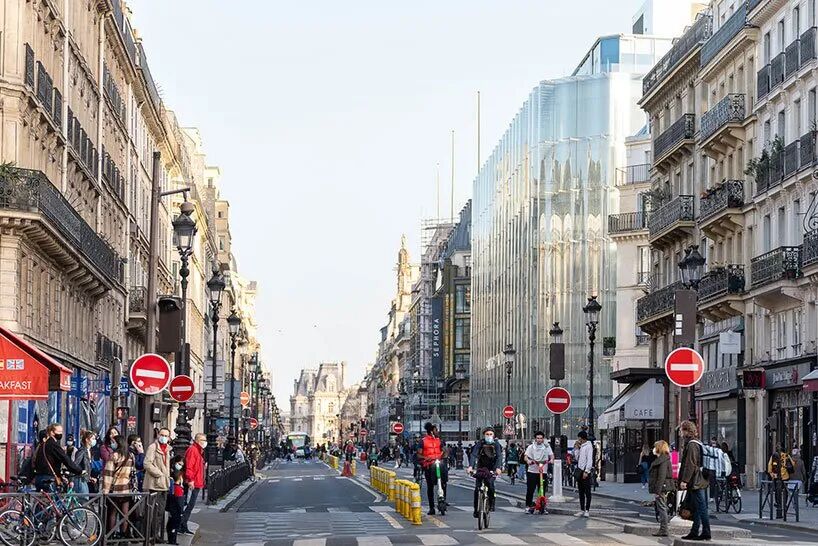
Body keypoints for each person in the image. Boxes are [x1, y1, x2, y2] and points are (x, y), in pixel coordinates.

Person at [678, 420, 711, 541]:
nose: (680, 433)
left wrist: (684, 481)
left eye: (681, 430)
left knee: (701, 507)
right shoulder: (696, 442)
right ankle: (694, 531)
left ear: (686, 431)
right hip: (698, 479)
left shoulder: (692, 444)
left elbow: (690, 464)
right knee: (697, 507)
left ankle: (706, 532)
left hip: (695, 480)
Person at [32, 423, 83, 491]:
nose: (60, 434)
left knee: (43, 497)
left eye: (61, 432)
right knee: (54, 497)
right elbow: (65, 459)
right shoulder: (53, 444)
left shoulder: (42, 445)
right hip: (49, 478)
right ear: (52, 432)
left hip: (39, 477)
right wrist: (78, 470)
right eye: (58, 432)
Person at [102, 436, 135, 539]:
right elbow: (132, 472)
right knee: (125, 514)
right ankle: (123, 537)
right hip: (126, 488)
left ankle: (111, 536)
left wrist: (105, 490)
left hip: (115, 489)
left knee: (113, 513)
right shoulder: (130, 455)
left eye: (113, 442)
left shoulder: (114, 456)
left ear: (118, 443)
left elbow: (108, 475)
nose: (112, 444)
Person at [467, 427, 503, 518]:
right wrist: (470, 467)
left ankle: (491, 503)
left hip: (492, 467)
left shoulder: (496, 444)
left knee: (490, 484)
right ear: (484, 435)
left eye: (491, 434)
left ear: (493, 435)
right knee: (477, 489)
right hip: (481, 467)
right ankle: (476, 509)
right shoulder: (480, 443)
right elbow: (474, 455)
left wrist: (498, 468)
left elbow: (499, 457)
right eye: (487, 434)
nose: (489, 436)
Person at [144, 427, 172, 543]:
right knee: (153, 512)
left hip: (164, 484)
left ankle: (156, 535)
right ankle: (151, 535)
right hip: (154, 484)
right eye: (162, 435)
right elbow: (147, 463)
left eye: (166, 435)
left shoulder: (168, 449)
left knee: (160, 512)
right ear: (158, 435)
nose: (163, 437)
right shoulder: (153, 447)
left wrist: (167, 477)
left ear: (169, 437)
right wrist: (159, 474)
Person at [180, 433, 207, 535]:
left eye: (205, 440)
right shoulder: (193, 450)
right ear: (197, 441)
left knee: (190, 504)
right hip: (193, 482)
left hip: (197, 482)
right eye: (202, 440)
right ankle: (182, 524)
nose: (204, 442)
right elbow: (189, 466)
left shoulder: (198, 451)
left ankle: (183, 524)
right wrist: (190, 479)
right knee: (189, 504)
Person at [418, 422, 447, 515]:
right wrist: (425, 458)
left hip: (438, 463)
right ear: (431, 431)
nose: (437, 431)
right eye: (436, 430)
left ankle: (443, 500)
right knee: (430, 486)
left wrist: (444, 455)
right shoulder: (423, 441)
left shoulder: (439, 441)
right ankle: (431, 508)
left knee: (444, 482)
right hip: (429, 465)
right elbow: (419, 454)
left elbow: (444, 451)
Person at [649, 440, 675, 537]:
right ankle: (663, 529)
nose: (653, 449)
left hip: (662, 487)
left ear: (659, 448)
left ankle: (664, 529)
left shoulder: (663, 460)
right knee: (662, 507)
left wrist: (657, 490)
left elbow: (661, 476)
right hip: (662, 486)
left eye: (655, 447)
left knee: (662, 507)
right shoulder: (663, 459)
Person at [523, 431, 554, 512]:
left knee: (542, 489)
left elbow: (551, 455)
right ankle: (528, 506)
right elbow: (525, 456)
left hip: (543, 471)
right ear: (535, 439)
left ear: (543, 439)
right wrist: (528, 461)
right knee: (530, 489)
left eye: (541, 438)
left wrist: (551, 460)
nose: (539, 440)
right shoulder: (531, 447)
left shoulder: (547, 447)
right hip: (532, 471)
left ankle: (542, 507)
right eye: (538, 438)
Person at [768, 444, 794, 518]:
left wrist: (772, 474)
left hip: (777, 477)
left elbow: (769, 466)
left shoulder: (774, 456)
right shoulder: (786, 455)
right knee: (785, 491)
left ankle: (778, 503)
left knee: (777, 490)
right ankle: (785, 503)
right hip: (785, 476)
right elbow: (793, 464)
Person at [166, 455, 186, 545]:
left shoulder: (179, 474)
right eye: (179, 464)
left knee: (172, 521)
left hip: (176, 499)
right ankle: (172, 540)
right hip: (176, 500)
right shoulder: (173, 475)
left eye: (182, 464)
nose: (180, 466)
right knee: (174, 522)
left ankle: (172, 539)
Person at [574, 430, 594, 517]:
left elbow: (589, 460)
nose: (578, 440)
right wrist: (576, 449)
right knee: (581, 491)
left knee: (587, 492)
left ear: (582, 438)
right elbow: (577, 458)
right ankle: (582, 509)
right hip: (580, 470)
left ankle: (587, 510)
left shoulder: (588, 446)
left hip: (585, 471)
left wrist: (587, 471)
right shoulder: (581, 446)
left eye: (579, 438)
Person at [72, 429, 96, 499]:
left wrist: (89, 477)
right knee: (84, 499)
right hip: (80, 479)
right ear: (87, 440)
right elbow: (75, 464)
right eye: (93, 439)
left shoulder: (89, 451)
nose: (94, 441)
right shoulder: (82, 451)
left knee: (84, 499)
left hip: (84, 479)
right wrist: (81, 472)